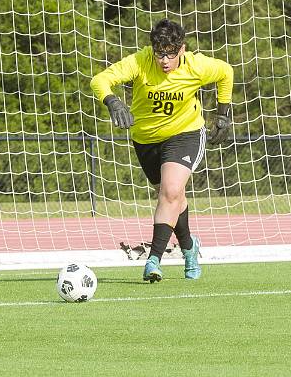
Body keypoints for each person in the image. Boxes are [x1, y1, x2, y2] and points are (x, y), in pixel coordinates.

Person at [90, 18, 234, 282]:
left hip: (185, 133)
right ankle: (190, 247)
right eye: (159, 54)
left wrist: (223, 114)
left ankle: (153, 260)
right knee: (172, 197)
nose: (165, 60)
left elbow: (226, 72)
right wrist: (112, 101)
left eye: (170, 54)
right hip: (145, 139)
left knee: (170, 192)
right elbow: (100, 80)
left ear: (182, 49)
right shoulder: (140, 62)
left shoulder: (197, 65)